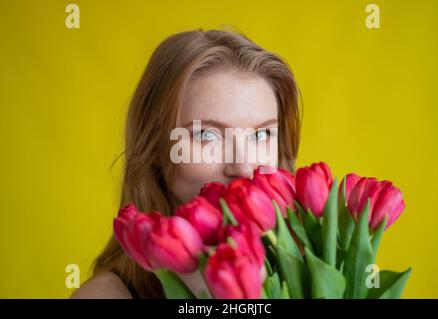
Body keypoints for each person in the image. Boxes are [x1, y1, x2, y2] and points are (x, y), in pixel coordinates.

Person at [71, 28, 302, 298]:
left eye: (261, 134)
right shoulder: (106, 296)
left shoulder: (312, 268)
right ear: (154, 148)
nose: (242, 166)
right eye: (206, 134)